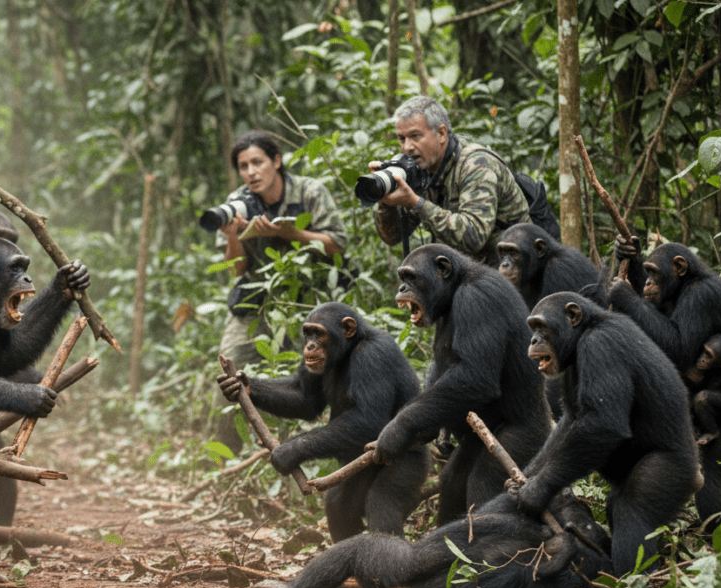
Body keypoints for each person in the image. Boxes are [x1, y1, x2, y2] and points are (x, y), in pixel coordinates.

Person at [211, 130, 347, 456]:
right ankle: (220, 461)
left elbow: (337, 244)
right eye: (243, 166)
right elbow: (235, 272)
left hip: (308, 301)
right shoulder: (237, 202)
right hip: (255, 303)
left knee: (309, 379)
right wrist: (233, 236)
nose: (251, 172)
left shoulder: (309, 191)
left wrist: (293, 233)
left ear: (277, 161)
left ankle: (308, 452)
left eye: (257, 162)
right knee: (226, 374)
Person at [373, 96, 530, 265]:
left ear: (441, 134)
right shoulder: (421, 169)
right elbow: (393, 237)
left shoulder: (477, 164)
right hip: (473, 273)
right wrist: (385, 200)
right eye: (402, 139)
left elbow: (473, 237)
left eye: (415, 136)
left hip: (515, 269)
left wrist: (416, 203)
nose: (407, 147)